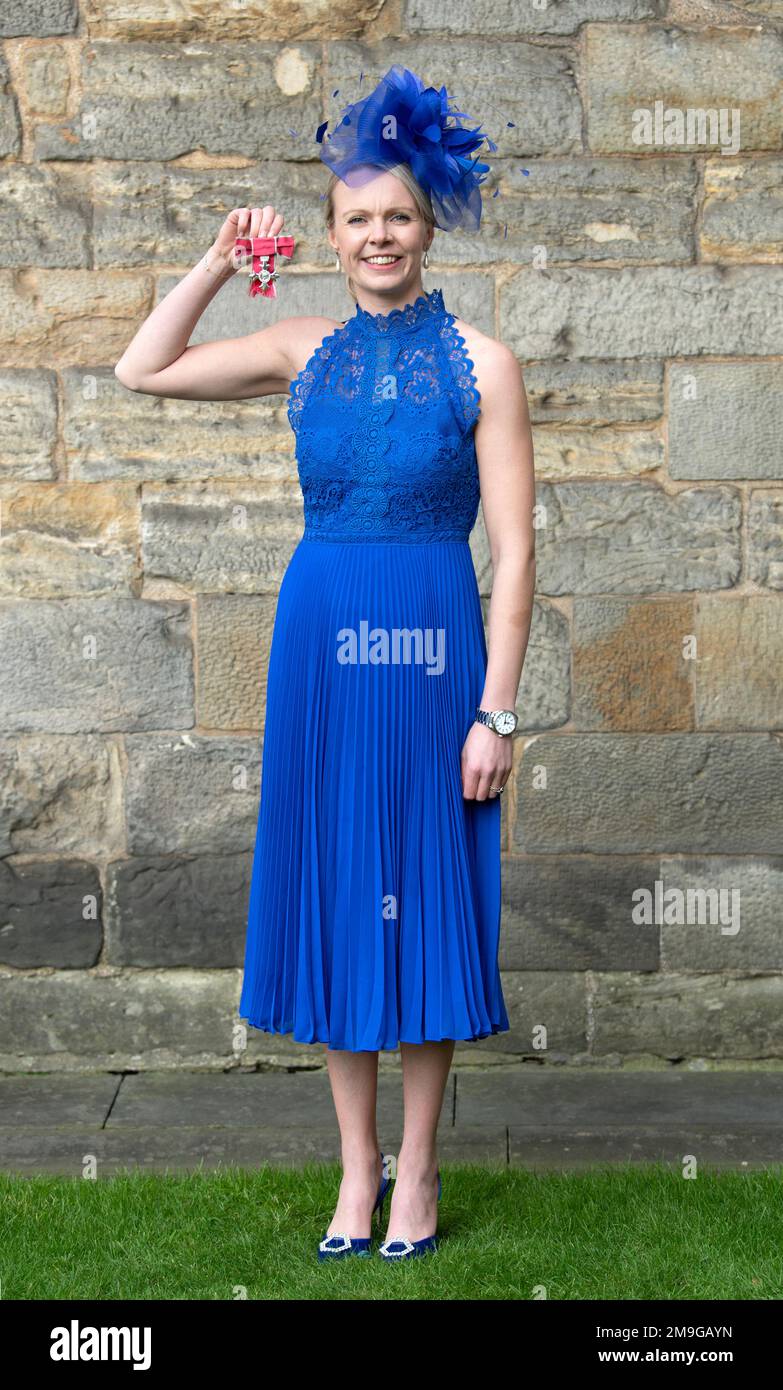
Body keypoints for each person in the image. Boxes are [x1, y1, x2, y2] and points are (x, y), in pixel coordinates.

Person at [114, 65, 536, 1262]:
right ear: (335, 236)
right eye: (358, 218)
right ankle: (356, 1174)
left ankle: (422, 1172)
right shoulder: (299, 347)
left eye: (398, 214)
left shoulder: (484, 364)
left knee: (427, 897)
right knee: (347, 891)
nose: (380, 235)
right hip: (321, 649)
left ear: (428, 222)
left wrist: (494, 715)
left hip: (435, 656)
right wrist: (211, 260)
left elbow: (514, 556)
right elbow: (139, 369)